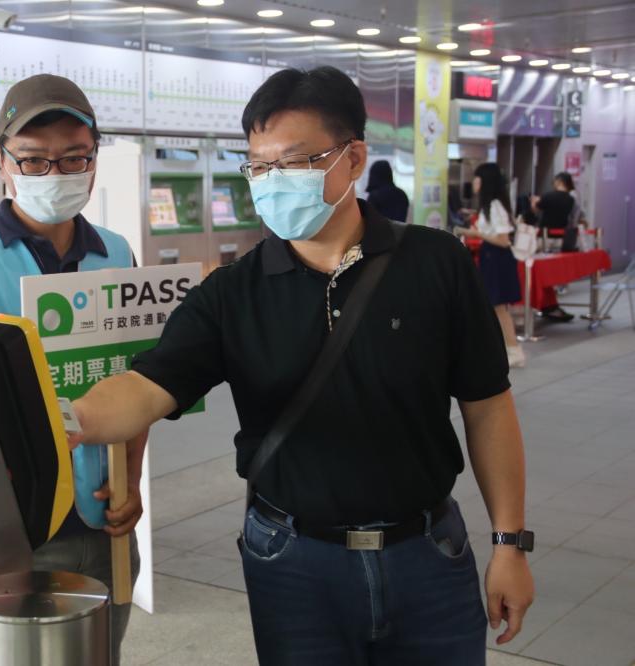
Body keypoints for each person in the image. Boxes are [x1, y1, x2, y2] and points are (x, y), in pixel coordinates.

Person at [68, 66, 534, 665]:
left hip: (428, 555)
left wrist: (509, 544)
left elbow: (488, 407)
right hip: (293, 564)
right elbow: (144, 388)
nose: (271, 182)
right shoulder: (233, 293)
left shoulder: (434, 263)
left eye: (293, 162)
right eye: (259, 167)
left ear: (354, 157)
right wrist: (62, 416)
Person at [0, 74, 144, 665]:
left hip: (101, 519)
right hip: (5, 536)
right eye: (34, 160)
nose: (56, 174)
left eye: (74, 158)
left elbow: (137, 377)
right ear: (3, 162)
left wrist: (133, 481)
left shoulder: (117, 254)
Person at [455, 163, 526, 368]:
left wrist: (475, 234)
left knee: (499, 308)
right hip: (491, 257)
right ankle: (504, 349)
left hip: (497, 258)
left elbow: (503, 240)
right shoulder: (490, 206)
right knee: (493, 307)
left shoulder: (495, 205)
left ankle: (514, 349)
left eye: (477, 178)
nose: (474, 182)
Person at [529, 175, 579, 320]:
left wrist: (534, 202)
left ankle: (544, 298)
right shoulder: (571, 199)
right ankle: (555, 292)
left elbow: (535, 210)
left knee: (539, 268)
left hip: (544, 237)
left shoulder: (548, 196)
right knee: (554, 268)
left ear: (559, 182)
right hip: (561, 238)